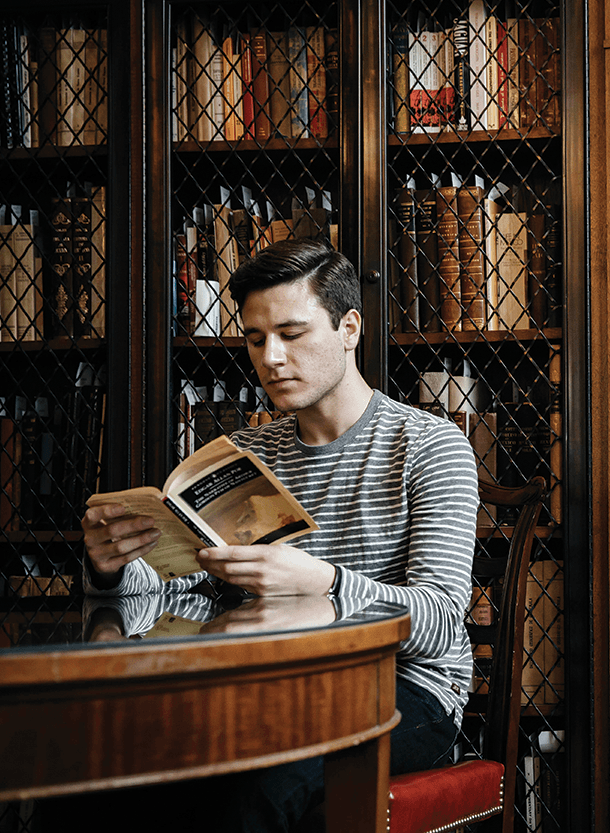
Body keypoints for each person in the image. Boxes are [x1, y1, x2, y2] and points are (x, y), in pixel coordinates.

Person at [78, 238, 479, 831]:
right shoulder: (242, 456)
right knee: (102, 770)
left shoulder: (428, 446)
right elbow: (179, 597)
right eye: (255, 338)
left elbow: (442, 619)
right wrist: (110, 567)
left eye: (291, 334)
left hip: (404, 689)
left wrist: (325, 585)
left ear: (349, 328)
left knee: (258, 787)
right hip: (262, 687)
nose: (271, 358)